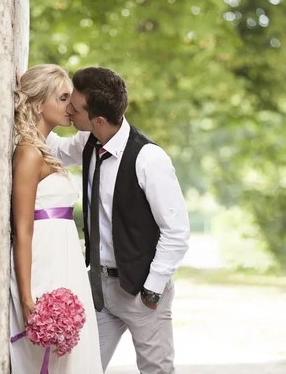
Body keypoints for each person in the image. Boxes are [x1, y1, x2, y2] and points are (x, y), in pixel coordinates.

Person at [47, 67, 190, 374]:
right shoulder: (88, 140)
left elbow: (176, 232)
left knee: (157, 371)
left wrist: (151, 290)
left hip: (142, 292)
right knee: (78, 368)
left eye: (74, 106)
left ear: (97, 119)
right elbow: (54, 149)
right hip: (99, 289)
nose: (69, 110)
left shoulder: (149, 159)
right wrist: (31, 103)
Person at [9, 64, 102, 374]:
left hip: (65, 263)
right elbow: (22, 229)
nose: (71, 106)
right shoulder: (29, 153)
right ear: (38, 104)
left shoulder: (48, 149)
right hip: (44, 266)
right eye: (63, 98)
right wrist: (26, 297)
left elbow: (89, 131)